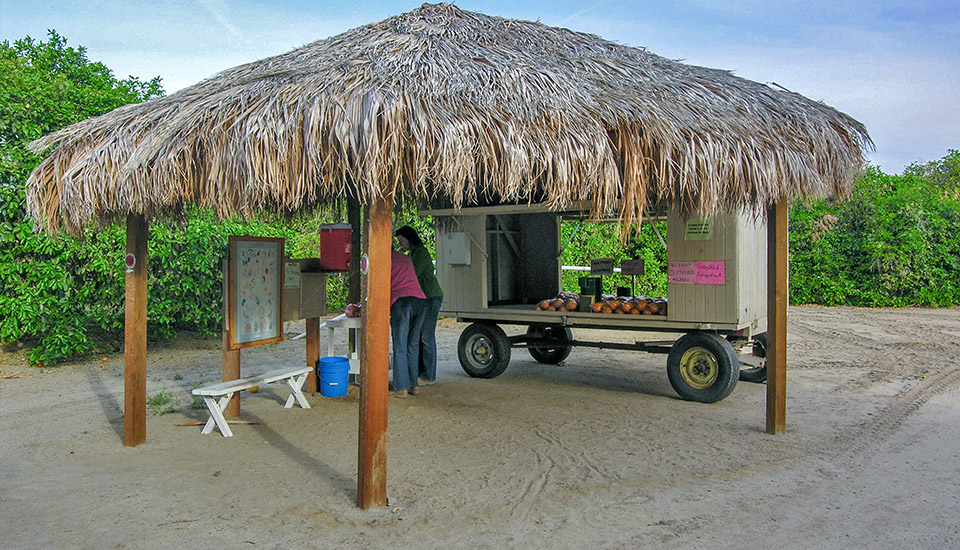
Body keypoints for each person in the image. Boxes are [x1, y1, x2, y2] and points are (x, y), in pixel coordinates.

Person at [395, 225, 443, 386]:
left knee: (426, 336)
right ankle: (421, 372)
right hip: (423, 298)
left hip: (430, 297)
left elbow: (410, 275)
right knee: (419, 337)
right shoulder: (413, 253)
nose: (401, 244)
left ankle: (429, 375)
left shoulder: (420, 253)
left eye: (402, 241)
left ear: (409, 238)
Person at [389, 247, 426, 398]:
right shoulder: (404, 258)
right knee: (413, 346)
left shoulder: (383, 259)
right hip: (420, 301)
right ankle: (414, 386)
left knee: (400, 346)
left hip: (401, 302)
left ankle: (401, 388)